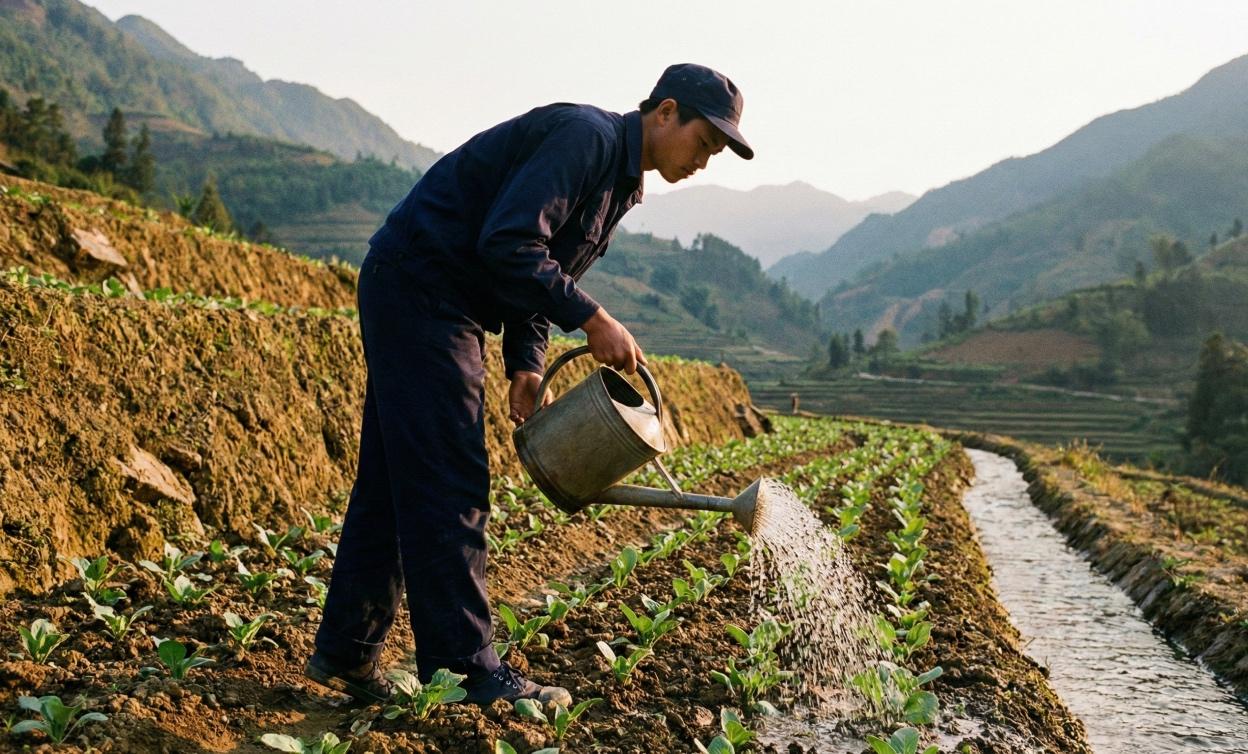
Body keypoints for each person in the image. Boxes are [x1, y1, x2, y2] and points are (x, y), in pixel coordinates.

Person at [305, 63, 753, 707]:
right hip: (423, 286)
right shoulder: (587, 139)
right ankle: (467, 670)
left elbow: (539, 271)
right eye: (705, 143)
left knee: (394, 478)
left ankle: (346, 655)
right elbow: (509, 241)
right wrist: (592, 318)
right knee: (450, 478)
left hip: (428, 291)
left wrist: (529, 364)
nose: (705, 161)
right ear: (665, 112)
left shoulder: (619, 185)